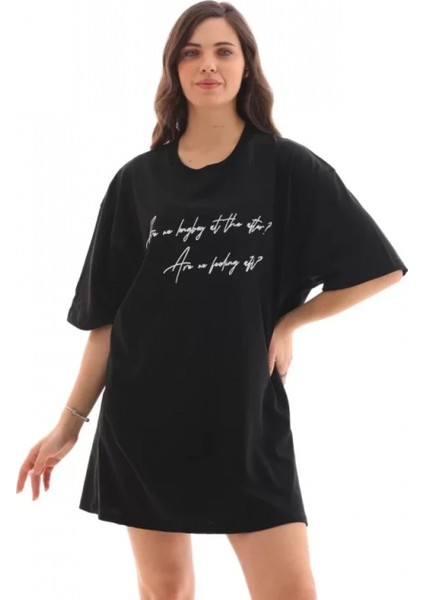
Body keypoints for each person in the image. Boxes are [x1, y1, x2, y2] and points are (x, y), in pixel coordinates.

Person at [16, 2, 408, 599]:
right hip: (145, 418)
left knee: (291, 590)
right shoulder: (136, 182)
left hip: (245, 419)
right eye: (192, 52)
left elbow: (379, 268)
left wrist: (290, 322)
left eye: (224, 51)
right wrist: (68, 424)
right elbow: (109, 320)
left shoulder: (286, 168)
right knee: (166, 590)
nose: (208, 65)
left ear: (247, 65)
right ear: (173, 68)